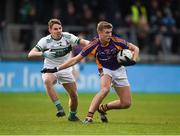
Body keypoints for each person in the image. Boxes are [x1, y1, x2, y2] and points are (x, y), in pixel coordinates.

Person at [41, 21, 139, 123]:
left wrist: (134, 60)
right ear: (99, 33)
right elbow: (75, 59)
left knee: (126, 103)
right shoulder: (93, 45)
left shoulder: (117, 41)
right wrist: (57, 69)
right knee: (105, 89)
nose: (109, 35)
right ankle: (89, 116)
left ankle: (102, 108)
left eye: (110, 32)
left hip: (120, 70)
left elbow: (135, 48)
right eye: (107, 32)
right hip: (105, 69)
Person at [28, 18, 89, 121]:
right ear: (50, 30)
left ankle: (72, 115)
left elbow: (83, 42)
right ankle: (59, 108)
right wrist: (43, 53)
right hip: (50, 68)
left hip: (65, 68)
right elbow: (30, 54)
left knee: (74, 96)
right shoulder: (45, 41)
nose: (58, 31)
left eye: (60, 28)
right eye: (55, 29)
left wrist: (95, 44)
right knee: (47, 81)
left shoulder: (68, 37)